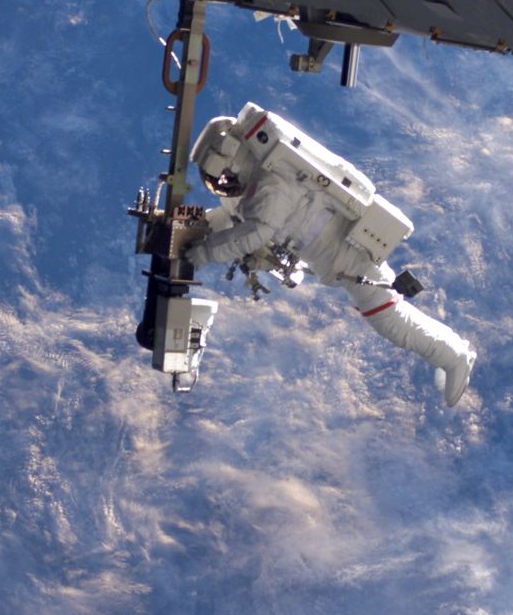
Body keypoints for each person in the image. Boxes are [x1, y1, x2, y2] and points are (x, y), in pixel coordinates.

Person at [182, 102, 477, 406]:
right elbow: (230, 218)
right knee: (393, 317)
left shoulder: (273, 184)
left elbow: (255, 232)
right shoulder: (255, 186)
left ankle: (455, 356)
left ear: (235, 159)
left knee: (391, 321)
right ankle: (452, 352)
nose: (223, 185)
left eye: (222, 176)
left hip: (355, 259)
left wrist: (205, 252)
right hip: (340, 261)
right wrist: (192, 227)